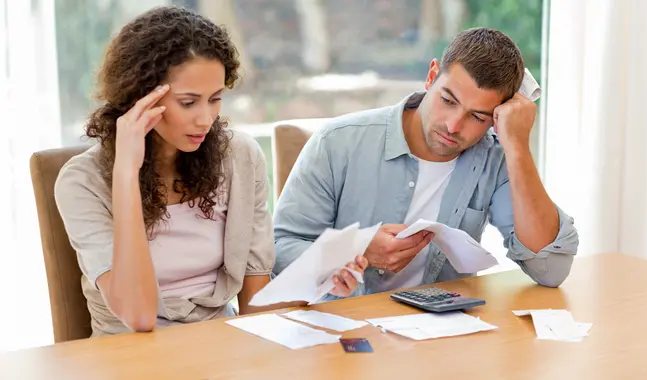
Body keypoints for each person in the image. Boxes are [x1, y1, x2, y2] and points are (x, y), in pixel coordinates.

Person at [54, 6, 365, 336]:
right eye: (188, 102)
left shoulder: (239, 159)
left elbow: (254, 306)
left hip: (219, 348)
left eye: (215, 99)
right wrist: (127, 173)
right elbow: (139, 316)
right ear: (139, 98)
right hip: (126, 356)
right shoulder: (82, 182)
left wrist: (318, 282)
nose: (206, 118)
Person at [273, 28, 579, 299]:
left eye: (478, 116)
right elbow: (277, 250)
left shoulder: (494, 159)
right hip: (343, 339)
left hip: (438, 341)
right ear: (432, 76)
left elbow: (550, 270)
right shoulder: (337, 142)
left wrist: (518, 146)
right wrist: (355, 247)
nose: (453, 126)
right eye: (448, 100)